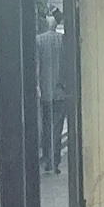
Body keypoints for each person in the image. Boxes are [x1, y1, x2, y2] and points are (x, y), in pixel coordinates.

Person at [36, 15, 66, 174]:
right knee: (57, 127)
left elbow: (36, 66)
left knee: (47, 126)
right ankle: (55, 159)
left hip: (45, 91)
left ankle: (48, 158)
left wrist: (37, 86)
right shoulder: (62, 41)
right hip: (60, 91)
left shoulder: (38, 41)